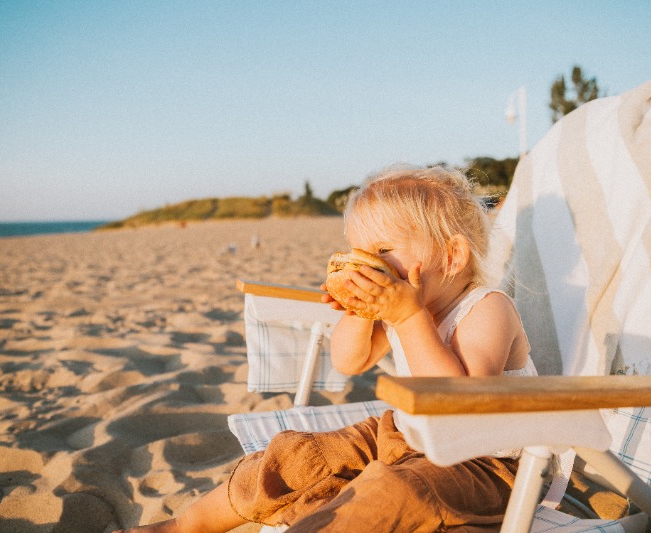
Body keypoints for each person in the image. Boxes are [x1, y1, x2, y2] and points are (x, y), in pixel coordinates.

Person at [118, 165, 536, 533]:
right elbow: (348, 361)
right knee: (297, 455)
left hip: (483, 464)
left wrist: (409, 319)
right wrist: (359, 312)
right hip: (403, 434)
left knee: (392, 492)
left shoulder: (487, 308)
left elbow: (463, 405)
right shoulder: (406, 308)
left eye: (383, 251)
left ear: (452, 256)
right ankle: (184, 526)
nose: (366, 263)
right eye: (360, 251)